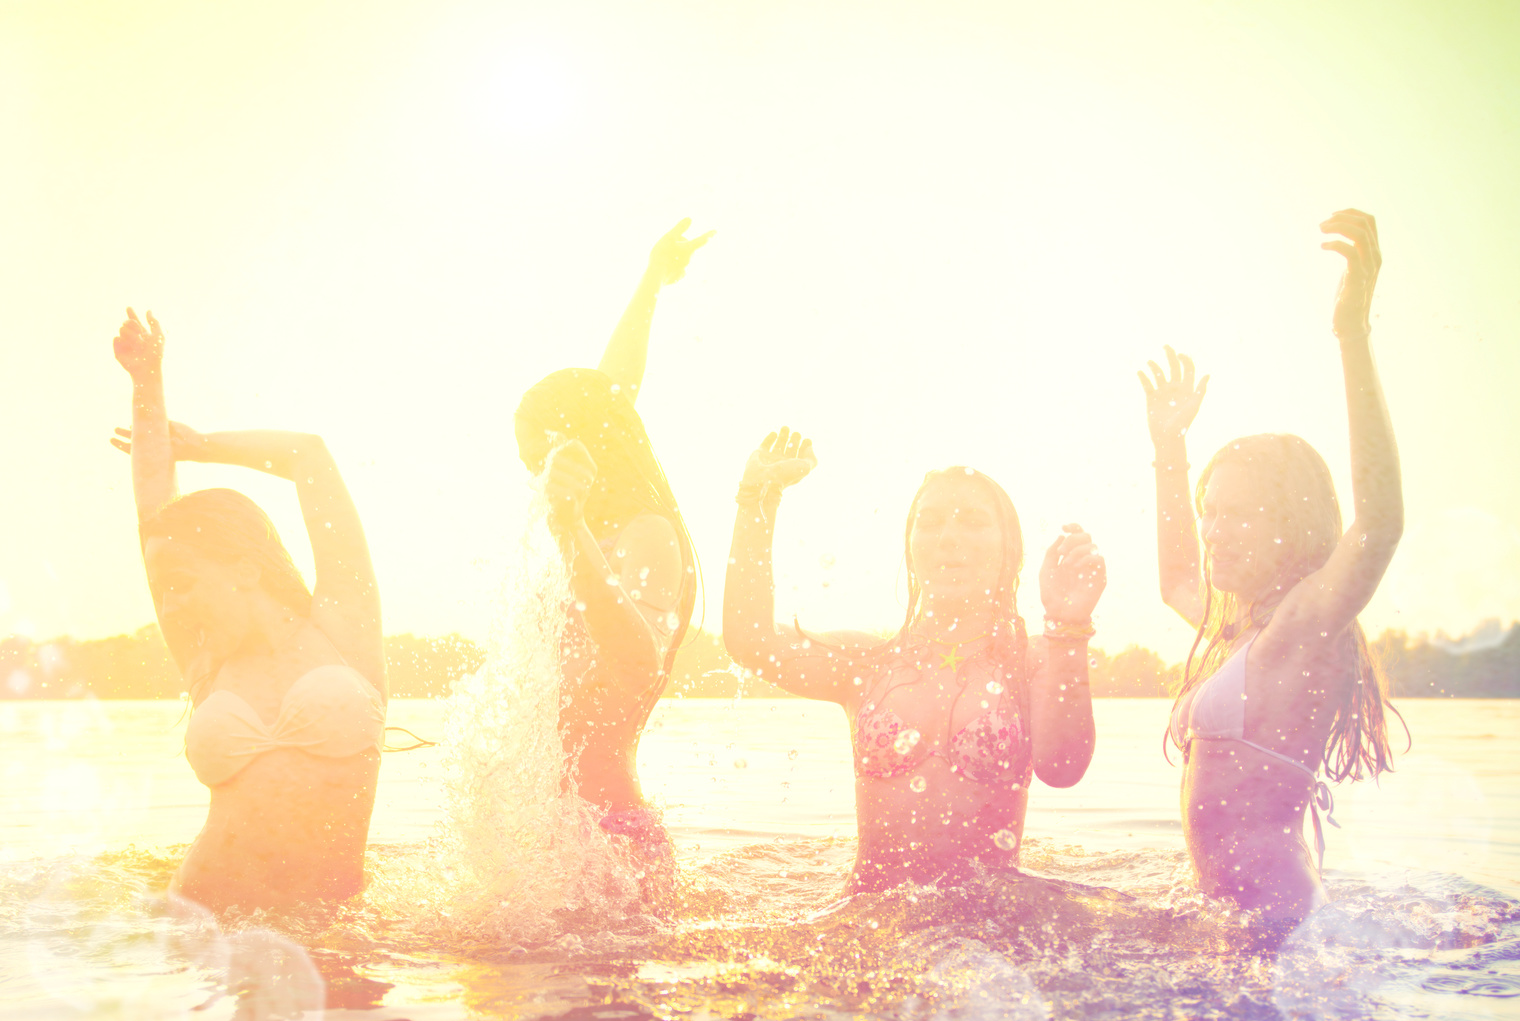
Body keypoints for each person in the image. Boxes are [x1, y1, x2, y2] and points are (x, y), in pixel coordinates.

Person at [1142, 208, 1403, 924]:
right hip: (1236, 918)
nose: (1215, 531)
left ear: (1291, 524)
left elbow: (1379, 525)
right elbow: (1173, 582)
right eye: (1210, 512)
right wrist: (1170, 451)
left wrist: (1351, 335)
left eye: (1237, 514)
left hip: (1279, 923)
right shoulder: (1240, 627)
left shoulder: (1302, 626)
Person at [723, 430, 1106, 892]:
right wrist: (757, 500)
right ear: (910, 545)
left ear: (1011, 548)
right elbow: (750, 640)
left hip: (993, 931)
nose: (948, 537)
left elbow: (1064, 769)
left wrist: (1068, 628)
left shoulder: (1031, 662)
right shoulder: (867, 662)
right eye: (931, 521)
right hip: (870, 922)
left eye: (973, 522)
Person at [111, 309, 385, 912]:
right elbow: (152, 505)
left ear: (244, 569)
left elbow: (309, 457)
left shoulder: (341, 629)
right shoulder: (205, 660)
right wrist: (145, 382)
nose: (171, 604)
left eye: (182, 583)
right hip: (201, 926)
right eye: (164, 590)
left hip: (332, 931)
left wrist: (203, 447)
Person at [511, 220, 709, 862]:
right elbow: (613, 390)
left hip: (613, 838)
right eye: (534, 459)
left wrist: (569, 529)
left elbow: (638, 657)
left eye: (549, 451)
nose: (542, 473)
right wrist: (652, 280)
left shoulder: (645, 533)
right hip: (558, 833)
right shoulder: (592, 531)